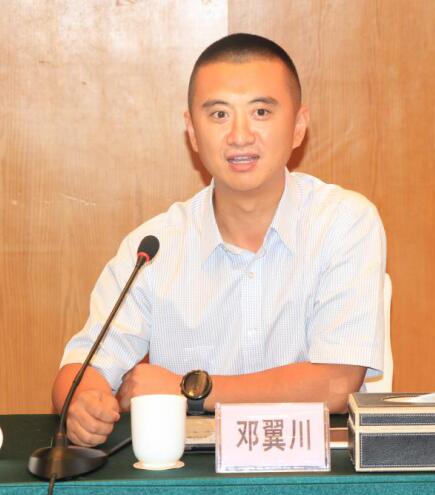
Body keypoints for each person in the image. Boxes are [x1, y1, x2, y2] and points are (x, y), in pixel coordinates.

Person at [52, 33, 387, 447]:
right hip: (185, 468)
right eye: (219, 115)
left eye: (261, 111)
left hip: (310, 466)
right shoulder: (153, 247)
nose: (240, 136)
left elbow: (336, 383)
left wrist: (190, 389)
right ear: (192, 132)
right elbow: (82, 369)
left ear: (298, 126)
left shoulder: (343, 222)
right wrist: (84, 403)